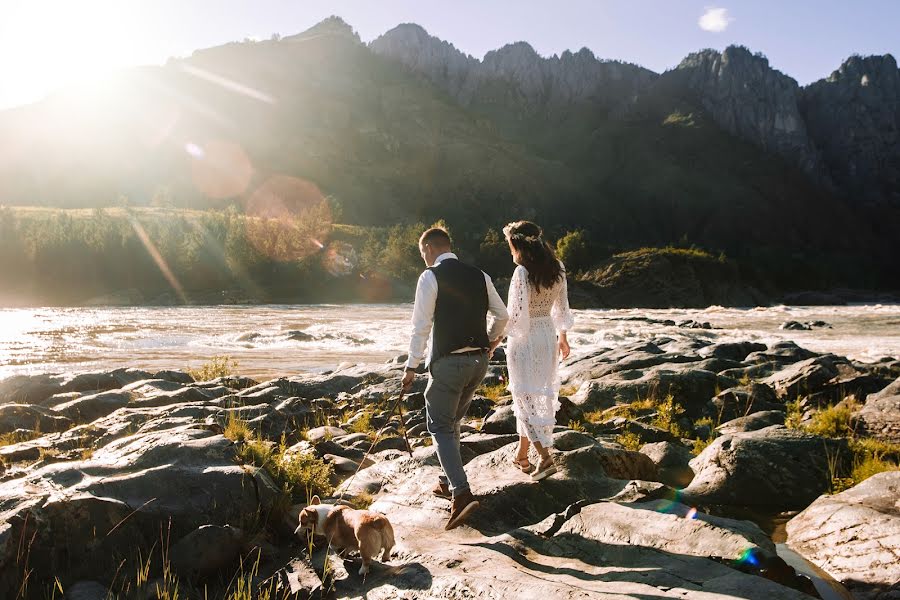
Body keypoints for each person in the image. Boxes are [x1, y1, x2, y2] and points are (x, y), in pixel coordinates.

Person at [401, 227, 508, 530]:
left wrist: (411, 367)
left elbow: (420, 327)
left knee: (440, 425)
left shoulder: (430, 276)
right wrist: (490, 342)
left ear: (430, 249)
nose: (424, 259)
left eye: (423, 254)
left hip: (450, 363)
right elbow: (503, 316)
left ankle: (461, 494)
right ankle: (446, 480)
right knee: (454, 421)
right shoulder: (480, 275)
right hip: (479, 362)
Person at [495, 220, 574, 481]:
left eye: (510, 246)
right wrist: (562, 336)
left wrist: (494, 341)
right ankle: (522, 455)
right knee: (534, 394)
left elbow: (514, 316)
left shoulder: (522, 272)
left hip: (526, 339)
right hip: (547, 335)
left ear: (518, 245)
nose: (509, 252)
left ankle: (546, 457)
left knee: (524, 398)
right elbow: (562, 308)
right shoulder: (557, 267)